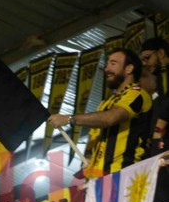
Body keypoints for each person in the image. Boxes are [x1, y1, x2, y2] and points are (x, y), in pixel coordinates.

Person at [48, 48, 152, 178]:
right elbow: (94, 135)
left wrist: (69, 118)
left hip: (124, 173)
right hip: (98, 178)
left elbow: (111, 118)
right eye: (107, 64)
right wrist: (86, 160)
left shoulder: (137, 93)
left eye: (113, 63)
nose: (106, 69)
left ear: (129, 69)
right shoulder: (106, 101)